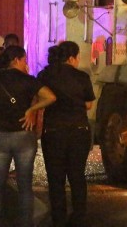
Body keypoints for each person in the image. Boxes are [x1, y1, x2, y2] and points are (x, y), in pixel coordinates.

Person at [0, 45, 56, 227]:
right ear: (16, 59)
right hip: (24, 137)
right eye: (25, 60)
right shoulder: (28, 81)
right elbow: (50, 97)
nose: (26, 63)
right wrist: (31, 110)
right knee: (24, 185)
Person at [38, 41, 96, 227]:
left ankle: (59, 219)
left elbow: (39, 97)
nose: (78, 60)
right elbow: (88, 104)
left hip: (54, 131)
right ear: (72, 58)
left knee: (56, 178)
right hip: (78, 131)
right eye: (78, 57)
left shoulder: (46, 74)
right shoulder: (82, 77)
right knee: (77, 175)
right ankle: (79, 216)